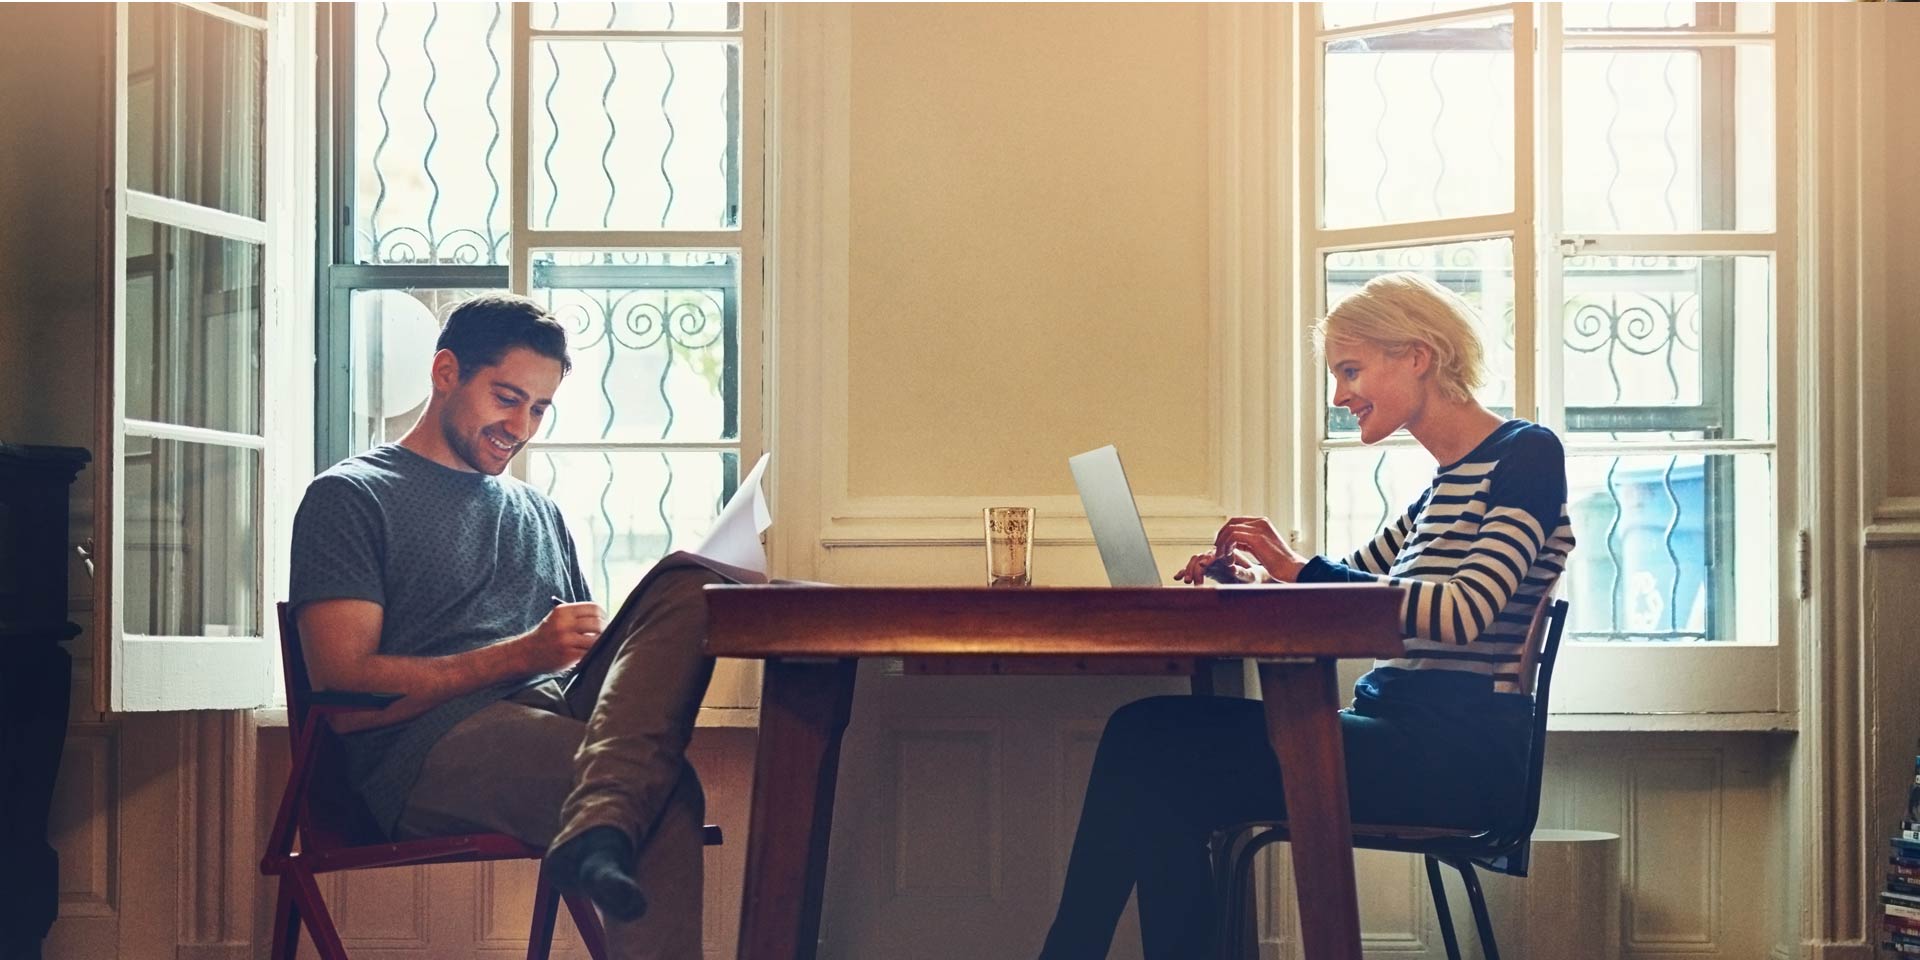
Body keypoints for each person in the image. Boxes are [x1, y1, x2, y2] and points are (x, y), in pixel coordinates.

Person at [1037, 273, 1577, 958]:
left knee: (1148, 742)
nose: (1339, 395)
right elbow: (1345, 590)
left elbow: (1466, 610)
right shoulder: (1440, 489)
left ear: (1418, 356)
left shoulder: (1527, 456)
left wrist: (1292, 569)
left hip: (1451, 757)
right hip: (1400, 736)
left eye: (1351, 370)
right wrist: (1254, 581)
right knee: (1153, 754)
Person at [289, 294, 734, 959]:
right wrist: (524, 653)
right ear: (446, 372)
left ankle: (602, 810)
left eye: (539, 409)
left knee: (691, 581)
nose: (521, 425)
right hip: (423, 751)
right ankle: (606, 807)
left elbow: (576, 675)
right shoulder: (352, 497)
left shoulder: (539, 512)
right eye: (507, 397)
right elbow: (347, 693)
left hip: (552, 715)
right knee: (662, 786)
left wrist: (615, 655)